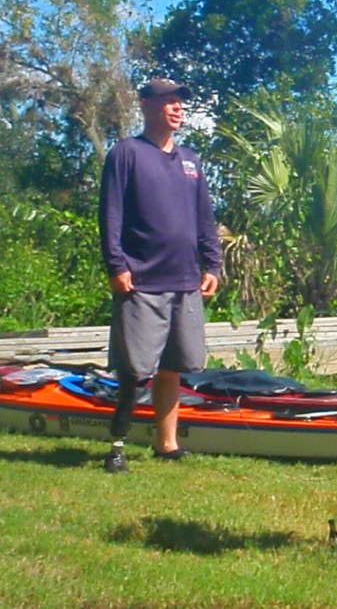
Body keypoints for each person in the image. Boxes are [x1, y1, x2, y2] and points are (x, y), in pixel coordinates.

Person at [99, 78, 222, 473]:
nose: (177, 108)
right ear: (146, 105)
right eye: (168, 101)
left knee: (173, 366)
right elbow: (110, 216)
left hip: (185, 281)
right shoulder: (126, 153)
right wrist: (116, 266)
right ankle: (117, 445)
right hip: (142, 282)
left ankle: (167, 445)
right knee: (135, 369)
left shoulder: (190, 160)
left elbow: (205, 219)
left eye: (180, 103)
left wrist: (213, 265)